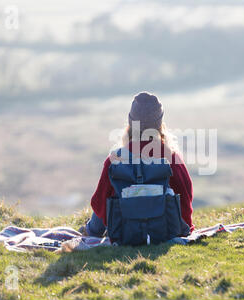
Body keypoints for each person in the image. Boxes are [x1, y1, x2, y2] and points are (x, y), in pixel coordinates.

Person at [81, 92, 194, 237]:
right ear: (160, 125)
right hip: (168, 229)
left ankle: (90, 232)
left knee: (106, 196)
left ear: (130, 125)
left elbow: (99, 203)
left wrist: (95, 230)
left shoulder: (115, 160)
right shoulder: (172, 159)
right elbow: (185, 197)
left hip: (124, 231)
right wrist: (186, 228)